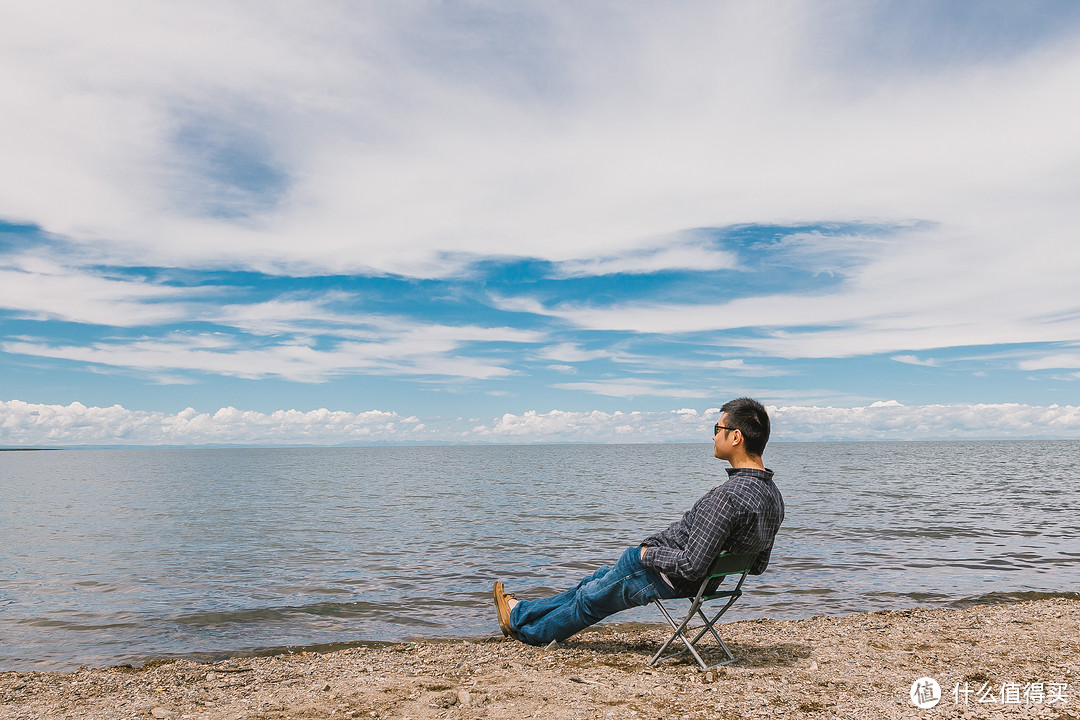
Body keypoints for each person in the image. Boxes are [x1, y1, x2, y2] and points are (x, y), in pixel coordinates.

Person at [493, 397, 784, 645]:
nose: (712, 436)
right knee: (593, 583)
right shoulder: (773, 496)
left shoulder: (727, 497)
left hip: (663, 576)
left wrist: (645, 554)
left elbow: (692, 566)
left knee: (589, 602)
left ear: (736, 437)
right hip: (699, 585)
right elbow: (757, 566)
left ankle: (528, 632)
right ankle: (521, 611)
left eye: (717, 429)